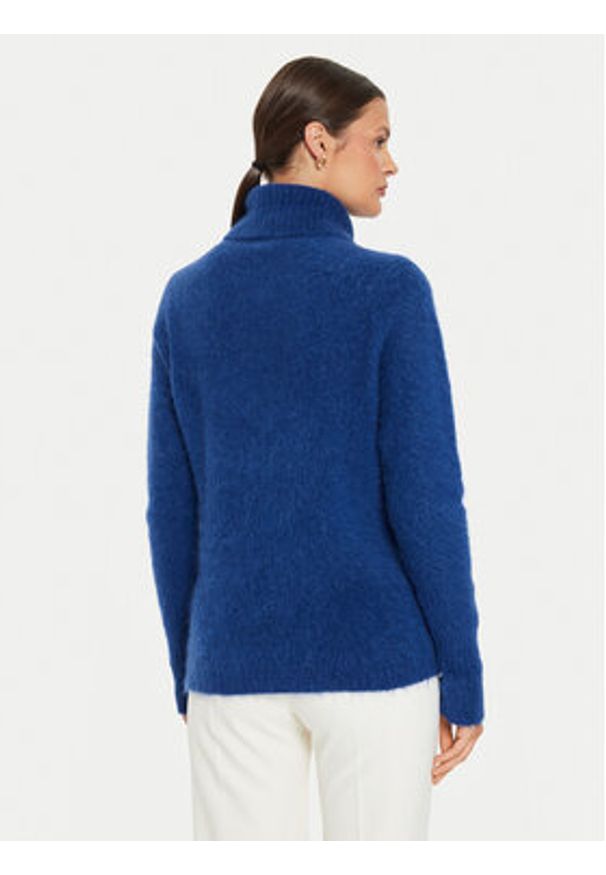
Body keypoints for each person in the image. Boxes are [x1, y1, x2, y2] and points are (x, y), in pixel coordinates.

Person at [145, 55, 485, 841]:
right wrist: (462, 673)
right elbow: (428, 498)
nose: (392, 163)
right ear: (319, 141)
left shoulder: (187, 297)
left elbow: (172, 510)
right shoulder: (391, 291)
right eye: (380, 139)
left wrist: (190, 667)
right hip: (376, 663)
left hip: (231, 664)